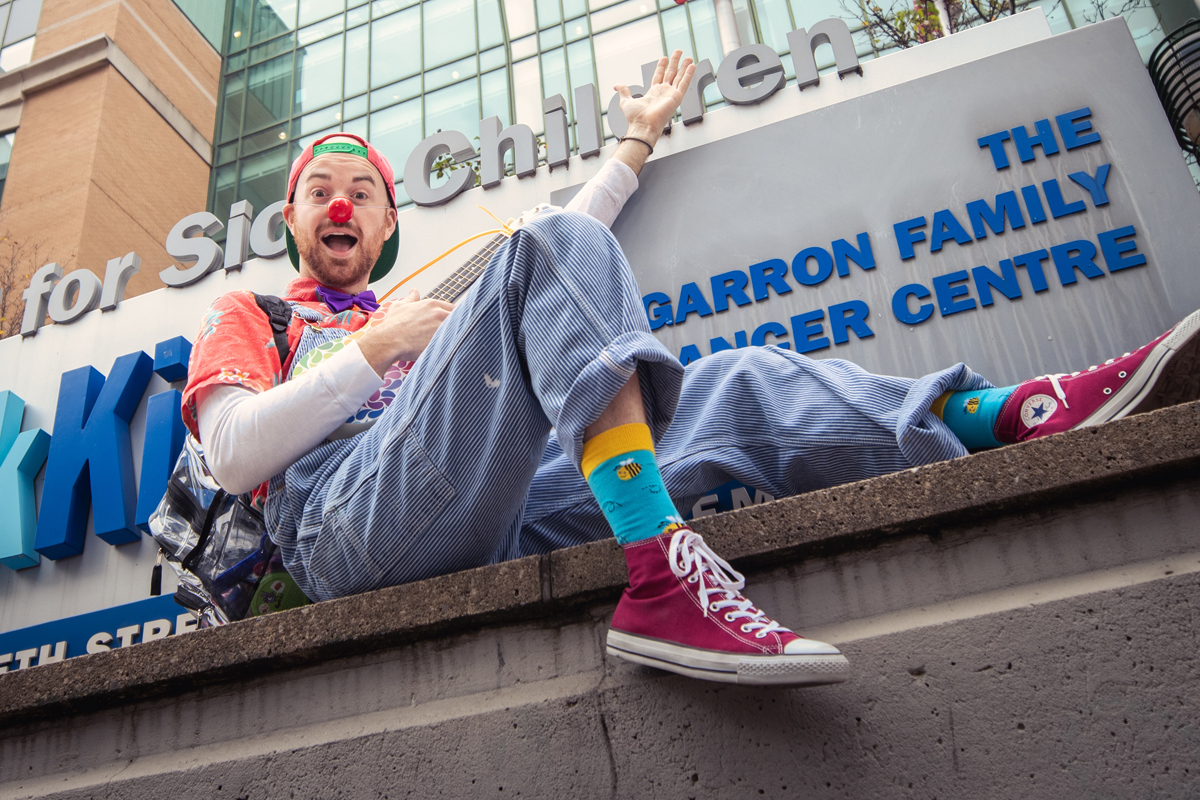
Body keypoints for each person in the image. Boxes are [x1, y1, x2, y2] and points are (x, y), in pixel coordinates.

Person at [183, 52, 1200, 687]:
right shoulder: (257, 311)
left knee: (734, 379)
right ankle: (660, 571)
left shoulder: (420, 303)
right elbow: (230, 455)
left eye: (363, 188)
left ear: (391, 221)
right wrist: (375, 349)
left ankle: (998, 416)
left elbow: (565, 252)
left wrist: (633, 142)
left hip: (477, 510)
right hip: (342, 531)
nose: (342, 203)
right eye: (322, 189)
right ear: (292, 217)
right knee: (540, 249)